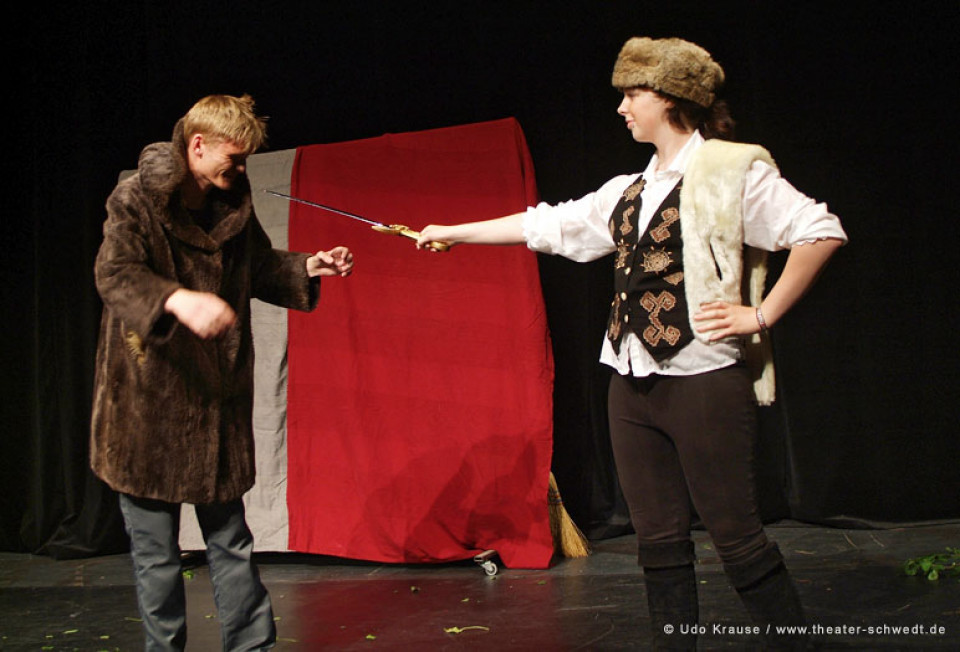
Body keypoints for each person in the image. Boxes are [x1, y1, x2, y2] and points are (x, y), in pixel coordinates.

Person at [417, 37, 846, 650]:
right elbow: (550, 223)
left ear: (670, 98)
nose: (621, 108)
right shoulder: (629, 189)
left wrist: (761, 314)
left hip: (702, 380)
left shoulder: (729, 172)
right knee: (659, 542)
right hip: (630, 384)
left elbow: (819, 230)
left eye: (633, 94)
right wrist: (455, 232)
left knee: (736, 537)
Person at [90, 94, 354, 651]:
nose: (240, 168)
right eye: (233, 158)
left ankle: (252, 645)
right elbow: (115, 273)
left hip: (215, 402)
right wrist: (177, 299)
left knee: (232, 539)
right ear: (197, 145)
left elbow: (257, 266)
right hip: (148, 403)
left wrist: (309, 265)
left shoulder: (231, 200)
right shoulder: (136, 198)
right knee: (158, 556)